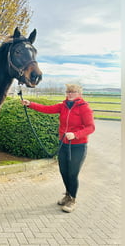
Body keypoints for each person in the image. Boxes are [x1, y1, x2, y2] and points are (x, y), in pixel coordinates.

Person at [21, 84, 95, 212]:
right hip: (63, 144)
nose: (70, 94)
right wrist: (30, 104)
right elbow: (47, 109)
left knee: (72, 173)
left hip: (78, 146)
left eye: (73, 92)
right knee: (63, 171)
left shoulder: (84, 108)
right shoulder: (63, 105)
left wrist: (76, 135)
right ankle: (67, 195)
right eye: (68, 92)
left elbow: (91, 127)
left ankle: (72, 200)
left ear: (79, 93)